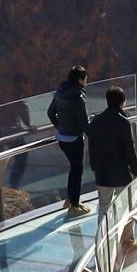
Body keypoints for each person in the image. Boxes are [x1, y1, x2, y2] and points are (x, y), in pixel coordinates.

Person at [85, 85, 137, 251]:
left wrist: (94, 167)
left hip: (102, 172)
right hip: (121, 173)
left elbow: (92, 146)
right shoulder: (123, 122)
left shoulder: (96, 121)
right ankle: (127, 239)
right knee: (126, 206)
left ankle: (102, 240)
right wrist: (135, 170)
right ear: (122, 103)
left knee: (103, 206)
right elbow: (129, 149)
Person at [46, 66, 91, 215]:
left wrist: (60, 127)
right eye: (85, 78)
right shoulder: (78, 96)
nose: (86, 81)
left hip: (63, 139)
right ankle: (75, 206)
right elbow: (84, 123)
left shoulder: (60, 92)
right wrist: (95, 136)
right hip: (74, 138)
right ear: (80, 79)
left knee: (73, 169)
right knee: (77, 170)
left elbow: (50, 112)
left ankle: (70, 199)